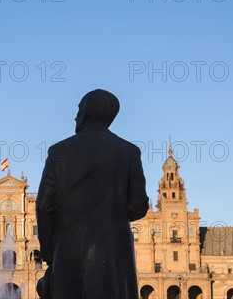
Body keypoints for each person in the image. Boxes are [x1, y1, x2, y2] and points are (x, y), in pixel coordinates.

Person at [36, 89, 149, 299]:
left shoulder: (59, 152)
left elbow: (44, 207)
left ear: (86, 112)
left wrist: (49, 253)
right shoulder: (129, 151)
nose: (75, 116)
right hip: (115, 254)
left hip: (69, 252)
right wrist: (113, 213)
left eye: (79, 109)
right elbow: (139, 207)